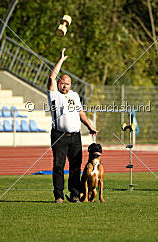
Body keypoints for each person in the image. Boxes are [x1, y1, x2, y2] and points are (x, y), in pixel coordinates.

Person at [47, 48, 98, 203]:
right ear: (59, 83)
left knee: (76, 167)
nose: (65, 86)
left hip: (75, 136)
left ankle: (75, 194)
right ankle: (59, 196)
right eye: (63, 83)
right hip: (59, 136)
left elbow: (81, 113)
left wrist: (90, 126)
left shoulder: (74, 95)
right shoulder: (54, 94)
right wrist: (61, 60)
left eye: (68, 84)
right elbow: (51, 77)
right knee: (58, 167)